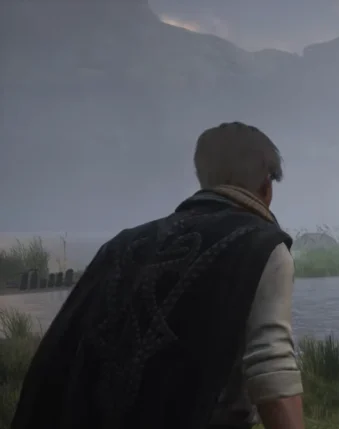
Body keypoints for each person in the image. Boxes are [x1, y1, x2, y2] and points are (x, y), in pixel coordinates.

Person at [12, 122, 306, 429]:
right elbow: (272, 369)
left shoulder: (120, 245)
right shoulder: (261, 245)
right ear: (266, 186)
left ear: (204, 176)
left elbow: (65, 355)